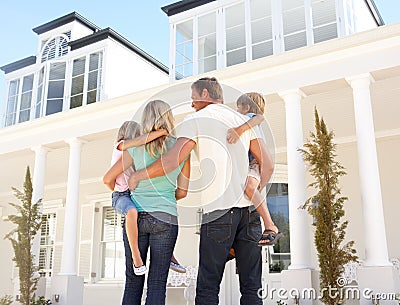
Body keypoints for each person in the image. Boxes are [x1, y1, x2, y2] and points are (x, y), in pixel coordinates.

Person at [128, 77, 274, 305]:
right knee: (252, 286)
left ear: (205, 93)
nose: (191, 102)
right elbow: (267, 163)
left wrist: (138, 175)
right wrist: (252, 190)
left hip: (219, 214)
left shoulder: (195, 120)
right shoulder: (241, 120)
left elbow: (172, 160)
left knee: (207, 288)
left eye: (193, 96)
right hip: (249, 214)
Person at [104, 100, 190, 305]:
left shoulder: (133, 149)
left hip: (138, 217)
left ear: (145, 120)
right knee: (158, 283)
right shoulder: (180, 149)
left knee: (133, 281)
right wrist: (165, 198)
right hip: (166, 218)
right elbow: (183, 191)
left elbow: (109, 178)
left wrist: (124, 194)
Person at [226, 93, 283, 246]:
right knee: (249, 192)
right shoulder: (248, 120)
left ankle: (270, 225)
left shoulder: (251, 118)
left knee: (250, 187)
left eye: (239, 107)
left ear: (247, 107)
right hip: (250, 161)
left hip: (254, 161)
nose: (237, 111)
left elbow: (260, 117)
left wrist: (239, 130)